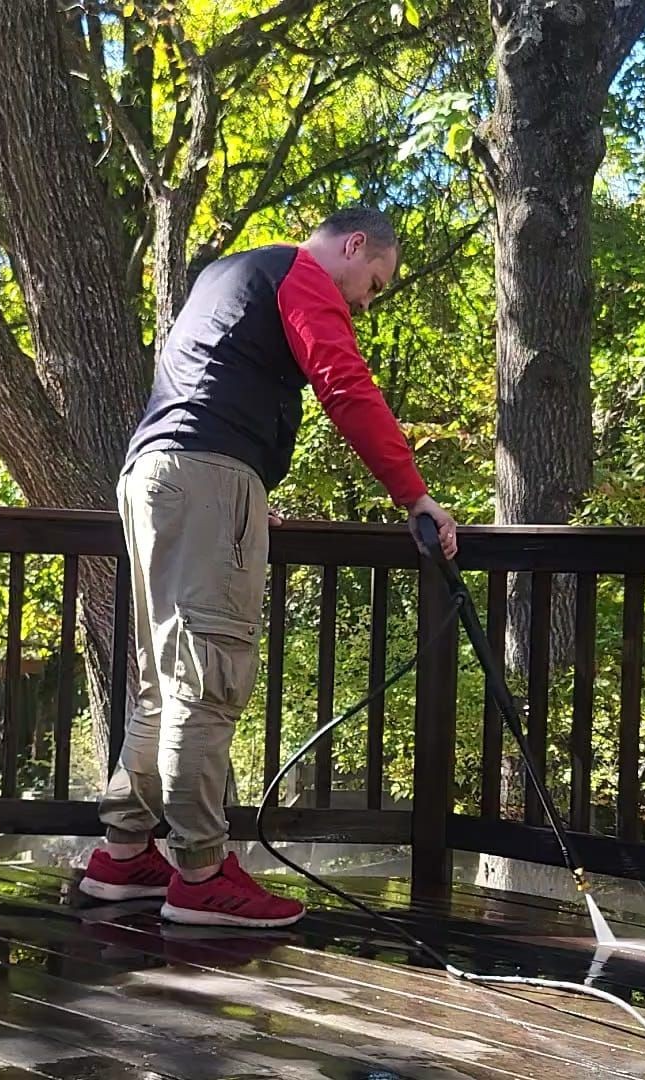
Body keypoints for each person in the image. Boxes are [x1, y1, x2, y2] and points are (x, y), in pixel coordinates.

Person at [77, 207, 460, 928]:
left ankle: (123, 856)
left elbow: (212, 382)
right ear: (353, 247)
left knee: (165, 678)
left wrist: (239, 489)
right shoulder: (304, 274)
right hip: (202, 478)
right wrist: (415, 495)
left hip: (155, 475)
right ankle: (200, 872)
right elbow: (343, 386)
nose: (364, 303)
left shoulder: (231, 272)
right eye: (372, 284)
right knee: (206, 680)